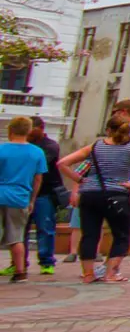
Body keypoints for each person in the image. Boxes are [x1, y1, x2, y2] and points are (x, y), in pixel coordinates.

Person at [58, 111, 130, 285]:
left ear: (108, 130)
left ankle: (88, 274)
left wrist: (79, 180)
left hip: (90, 195)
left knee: (89, 235)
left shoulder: (95, 146)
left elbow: (62, 163)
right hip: (117, 194)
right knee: (122, 234)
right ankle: (111, 273)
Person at [0, 117, 46, 284]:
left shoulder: (1, 149)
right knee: (17, 236)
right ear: (29, 131)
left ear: (10, 130)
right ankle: (20, 272)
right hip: (20, 197)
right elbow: (38, 179)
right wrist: (32, 200)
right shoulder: (36, 152)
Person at [27, 116, 63, 276]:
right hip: (25, 192)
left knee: (45, 227)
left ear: (40, 128)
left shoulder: (50, 146)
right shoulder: (26, 145)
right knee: (21, 229)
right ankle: (18, 262)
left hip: (45, 193)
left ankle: (47, 261)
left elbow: (40, 166)